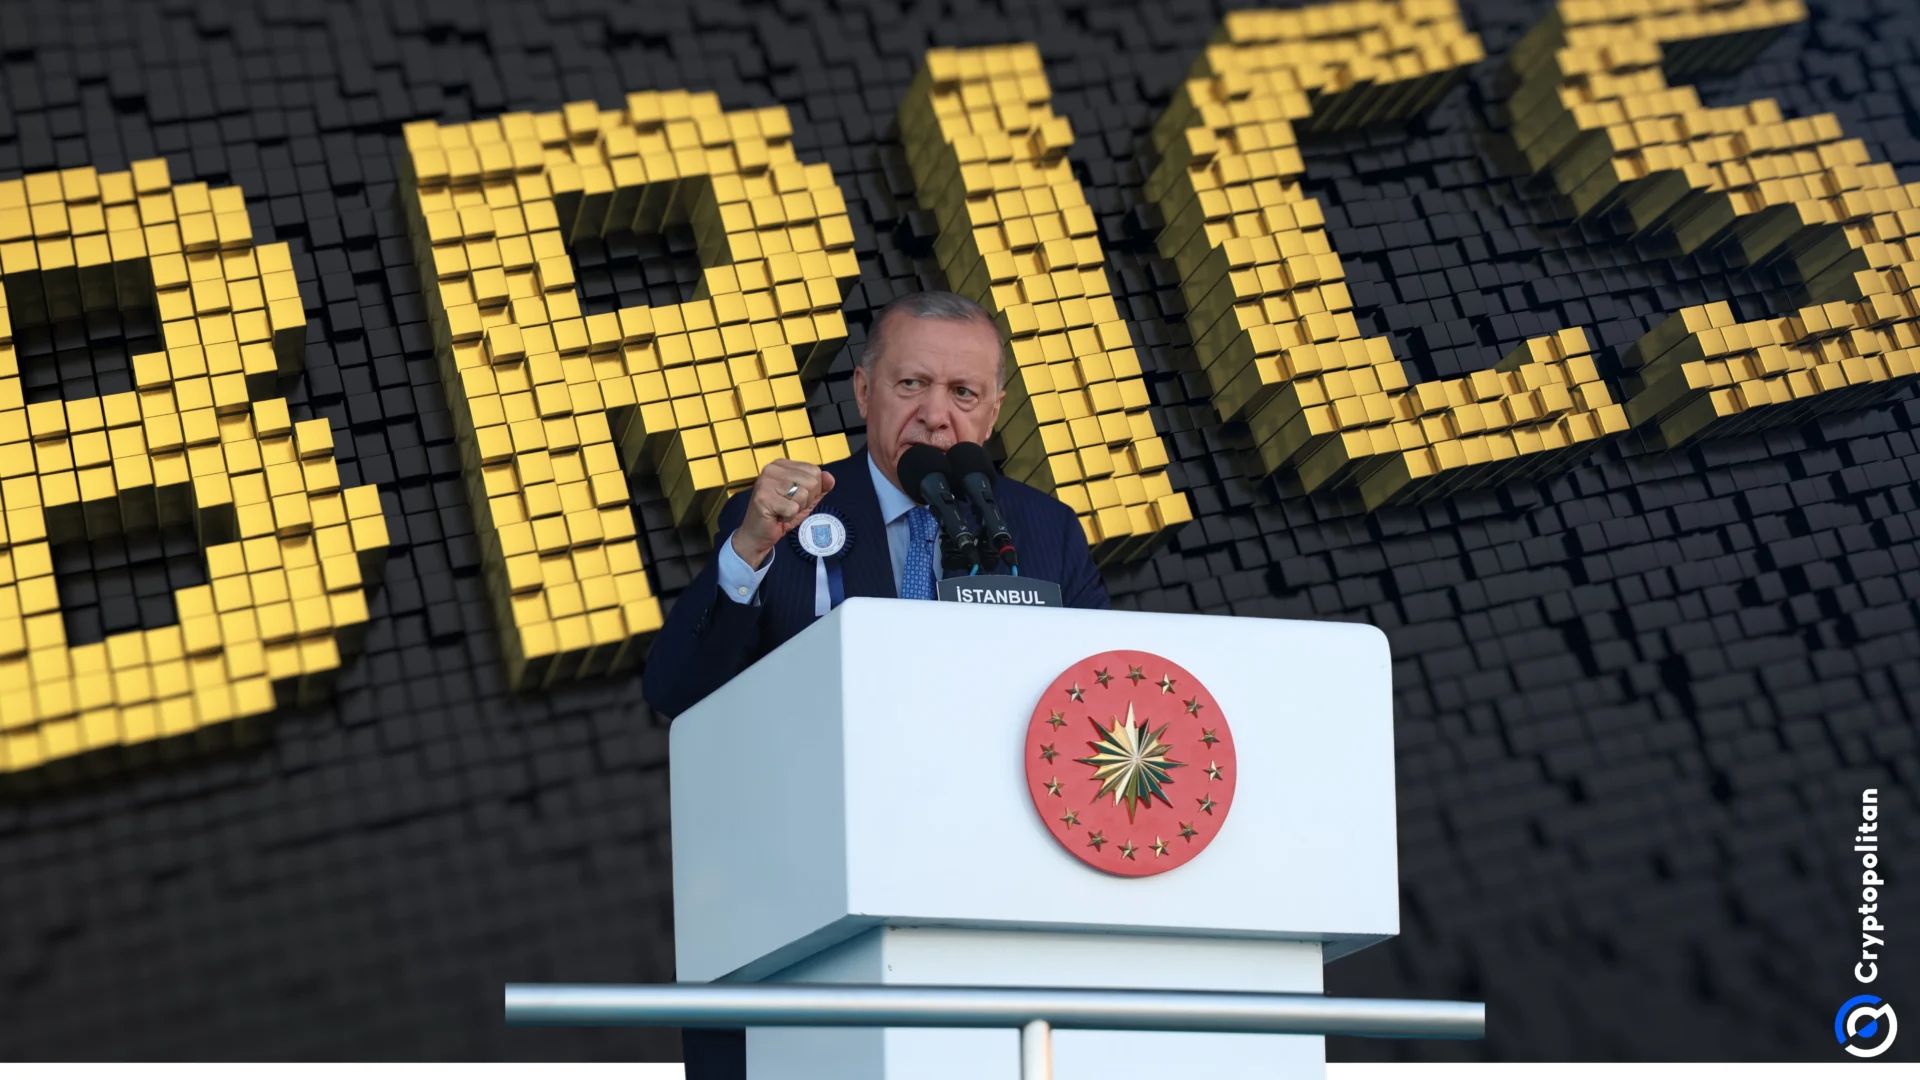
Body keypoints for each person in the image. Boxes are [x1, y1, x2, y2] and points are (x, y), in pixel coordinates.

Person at [641, 290, 1110, 1079]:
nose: (936, 416)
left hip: (992, 905)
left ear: (995, 411)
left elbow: (1100, 703)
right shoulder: (786, 520)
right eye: (911, 384)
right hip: (805, 900)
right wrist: (748, 553)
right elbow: (675, 689)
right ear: (864, 392)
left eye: (963, 393)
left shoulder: (1041, 530)